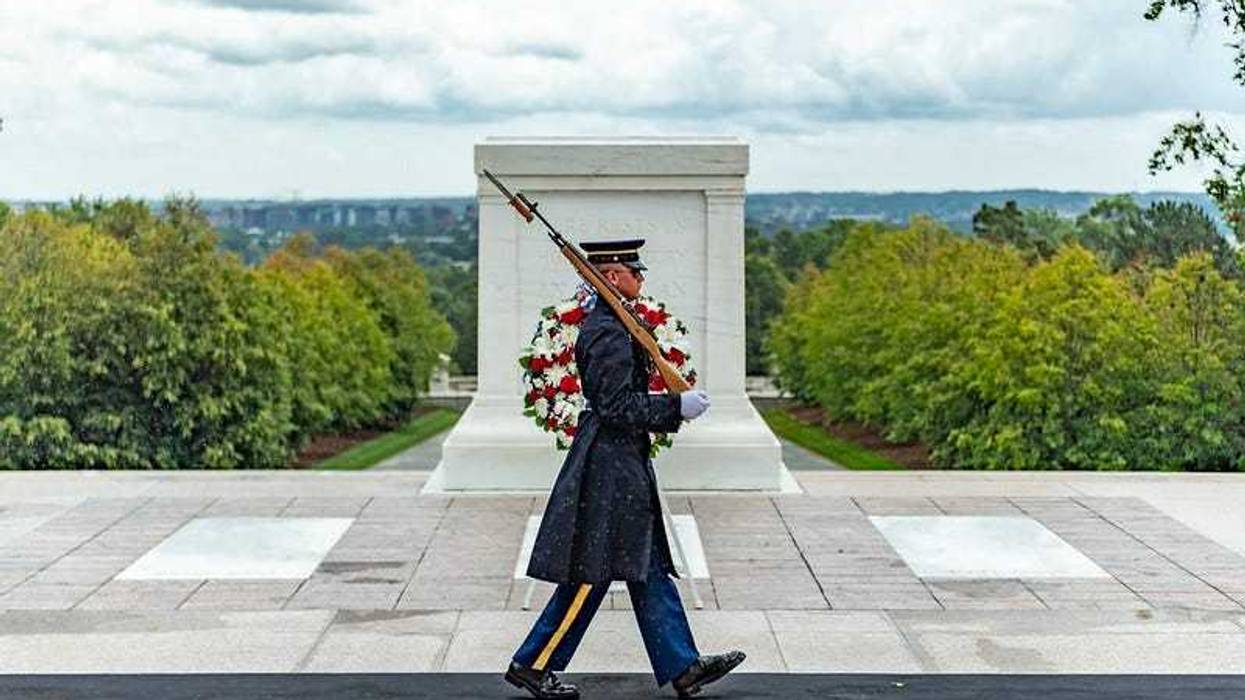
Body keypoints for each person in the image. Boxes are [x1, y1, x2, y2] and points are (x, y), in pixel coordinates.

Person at [506, 239, 745, 699]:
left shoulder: (618, 323)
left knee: (646, 565)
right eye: (635, 271)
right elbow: (615, 405)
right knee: (592, 574)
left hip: (622, 461)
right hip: (610, 467)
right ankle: (532, 663)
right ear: (613, 276)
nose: (642, 278)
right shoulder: (607, 331)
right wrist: (675, 407)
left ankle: (683, 666)